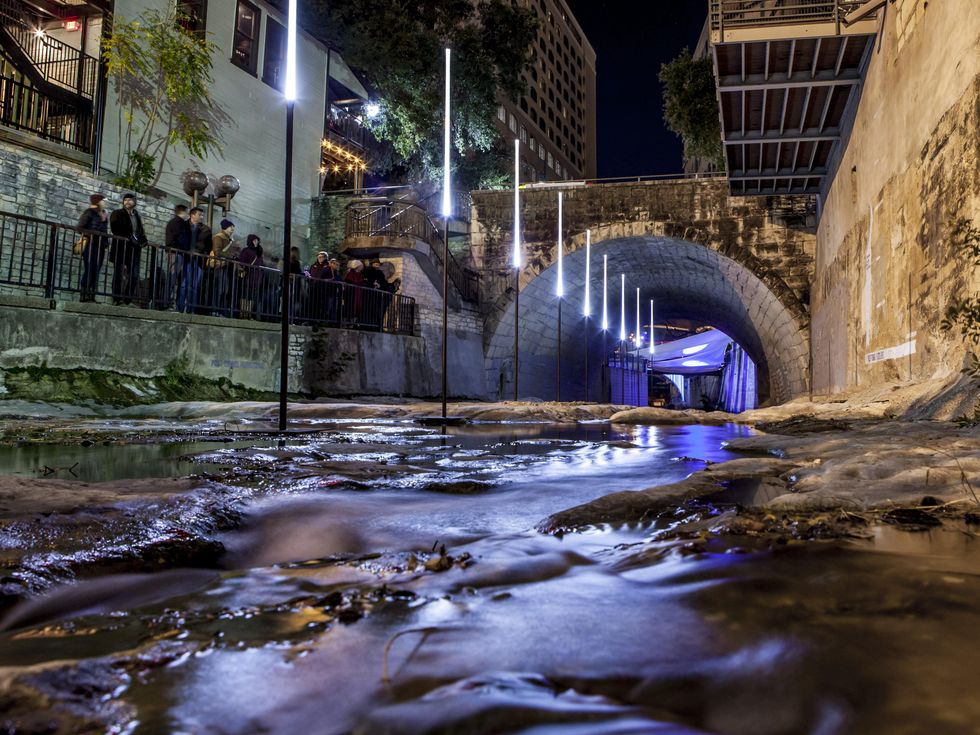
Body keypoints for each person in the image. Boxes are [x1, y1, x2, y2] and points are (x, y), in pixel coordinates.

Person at [108, 193, 147, 305]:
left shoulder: (136, 216)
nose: (127, 202)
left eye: (130, 200)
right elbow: (115, 228)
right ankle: (116, 299)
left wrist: (143, 240)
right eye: (125, 200)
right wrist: (130, 237)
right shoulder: (117, 213)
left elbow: (139, 231)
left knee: (134, 275)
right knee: (118, 274)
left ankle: (127, 299)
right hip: (121, 247)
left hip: (134, 250)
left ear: (134, 202)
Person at [76, 193, 108, 303]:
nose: (105, 202)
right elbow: (80, 228)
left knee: (96, 271)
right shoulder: (89, 213)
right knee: (89, 269)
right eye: (103, 200)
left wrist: (105, 242)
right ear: (98, 202)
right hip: (90, 245)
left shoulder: (103, 214)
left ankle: (92, 295)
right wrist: (93, 235)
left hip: (100, 246)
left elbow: (105, 231)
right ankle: (84, 295)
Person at [179, 207, 208, 313]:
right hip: (186, 258)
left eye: (202, 215)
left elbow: (208, 246)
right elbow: (180, 240)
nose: (202, 217)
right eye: (200, 214)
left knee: (194, 286)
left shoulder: (205, 229)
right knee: (184, 284)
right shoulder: (184, 226)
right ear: (192, 215)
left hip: (198, 260)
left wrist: (201, 253)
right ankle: (181, 308)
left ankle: (191, 309)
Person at [164, 204, 190, 310]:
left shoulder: (175, 222)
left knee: (173, 278)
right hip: (176, 253)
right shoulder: (178, 223)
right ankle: (165, 302)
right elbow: (178, 238)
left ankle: (166, 301)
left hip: (176, 253)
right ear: (183, 212)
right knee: (172, 277)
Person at [208, 219, 236, 315]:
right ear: (225, 227)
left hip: (224, 266)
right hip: (218, 266)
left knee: (223, 289)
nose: (232, 229)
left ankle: (218, 309)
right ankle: (214, 309)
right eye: (231, 227)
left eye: (233, 227)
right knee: (218, 289)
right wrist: (230, 257)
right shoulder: (218, 237)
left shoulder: (228, 239)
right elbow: (217, 252)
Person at [238, 234, 264, 319]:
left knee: (252, 297)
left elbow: (261, 264)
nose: (256, 242)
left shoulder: (259, 252)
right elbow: (242, 262)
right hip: (248, 276)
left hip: (256, 279)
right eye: (254, 240)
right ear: (250, 241)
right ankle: (243, 313)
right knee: (245, 295)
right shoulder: (246, 250)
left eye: (257, 240)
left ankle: (248, 314)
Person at [343, 259, 365, 326]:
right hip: (351, 293)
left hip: (357, 293)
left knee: (357, 307)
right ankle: (348, 322)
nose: (361, 267)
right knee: (350, 307)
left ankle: (353, 322)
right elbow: (349, 281)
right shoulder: (350, 273)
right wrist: (360, 282)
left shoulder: (359, 274)